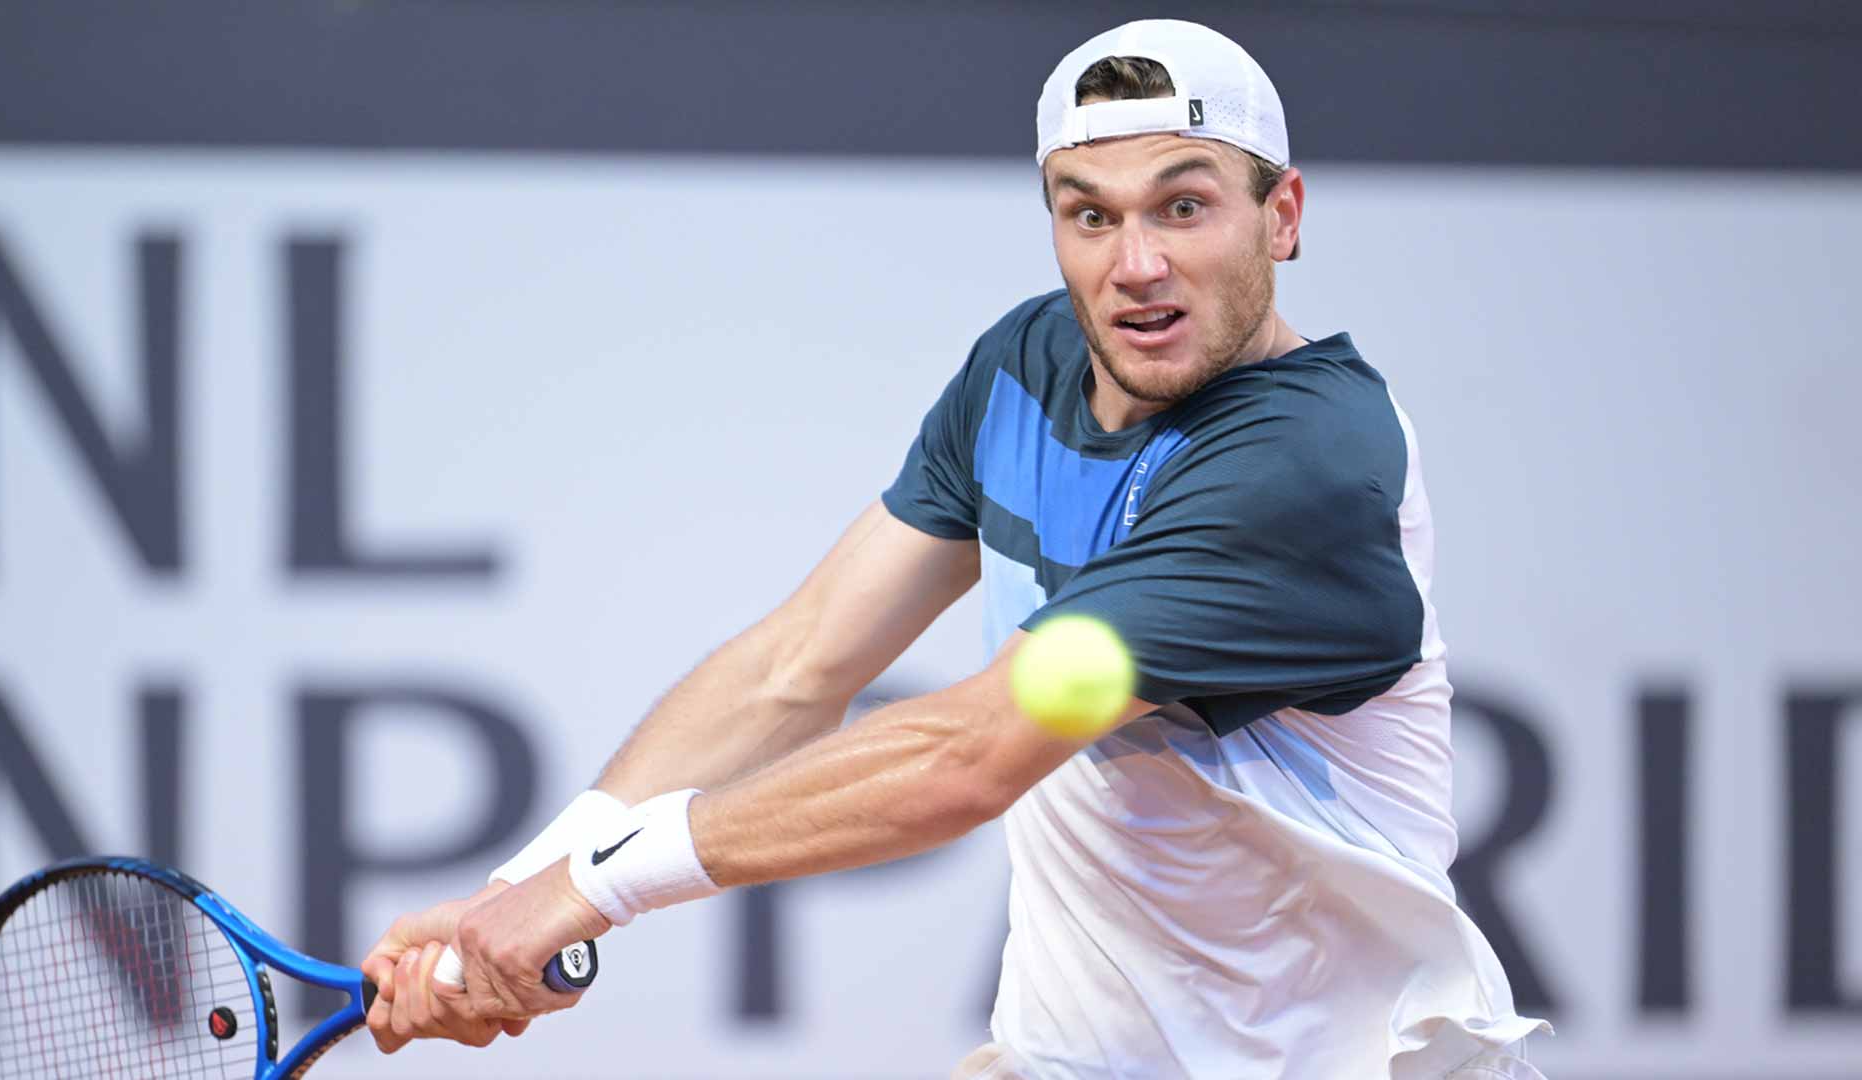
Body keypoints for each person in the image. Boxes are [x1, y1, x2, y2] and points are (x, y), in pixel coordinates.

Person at [361, 19, 1550, 1078]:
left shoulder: (1304, 465)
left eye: (1183, 207)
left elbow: (972, 754)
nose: (1135, 266)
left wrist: (593, 888)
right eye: (1091, 213)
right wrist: (521, 891)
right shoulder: (1027, 370)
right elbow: (800, 664)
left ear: (1281, 216)